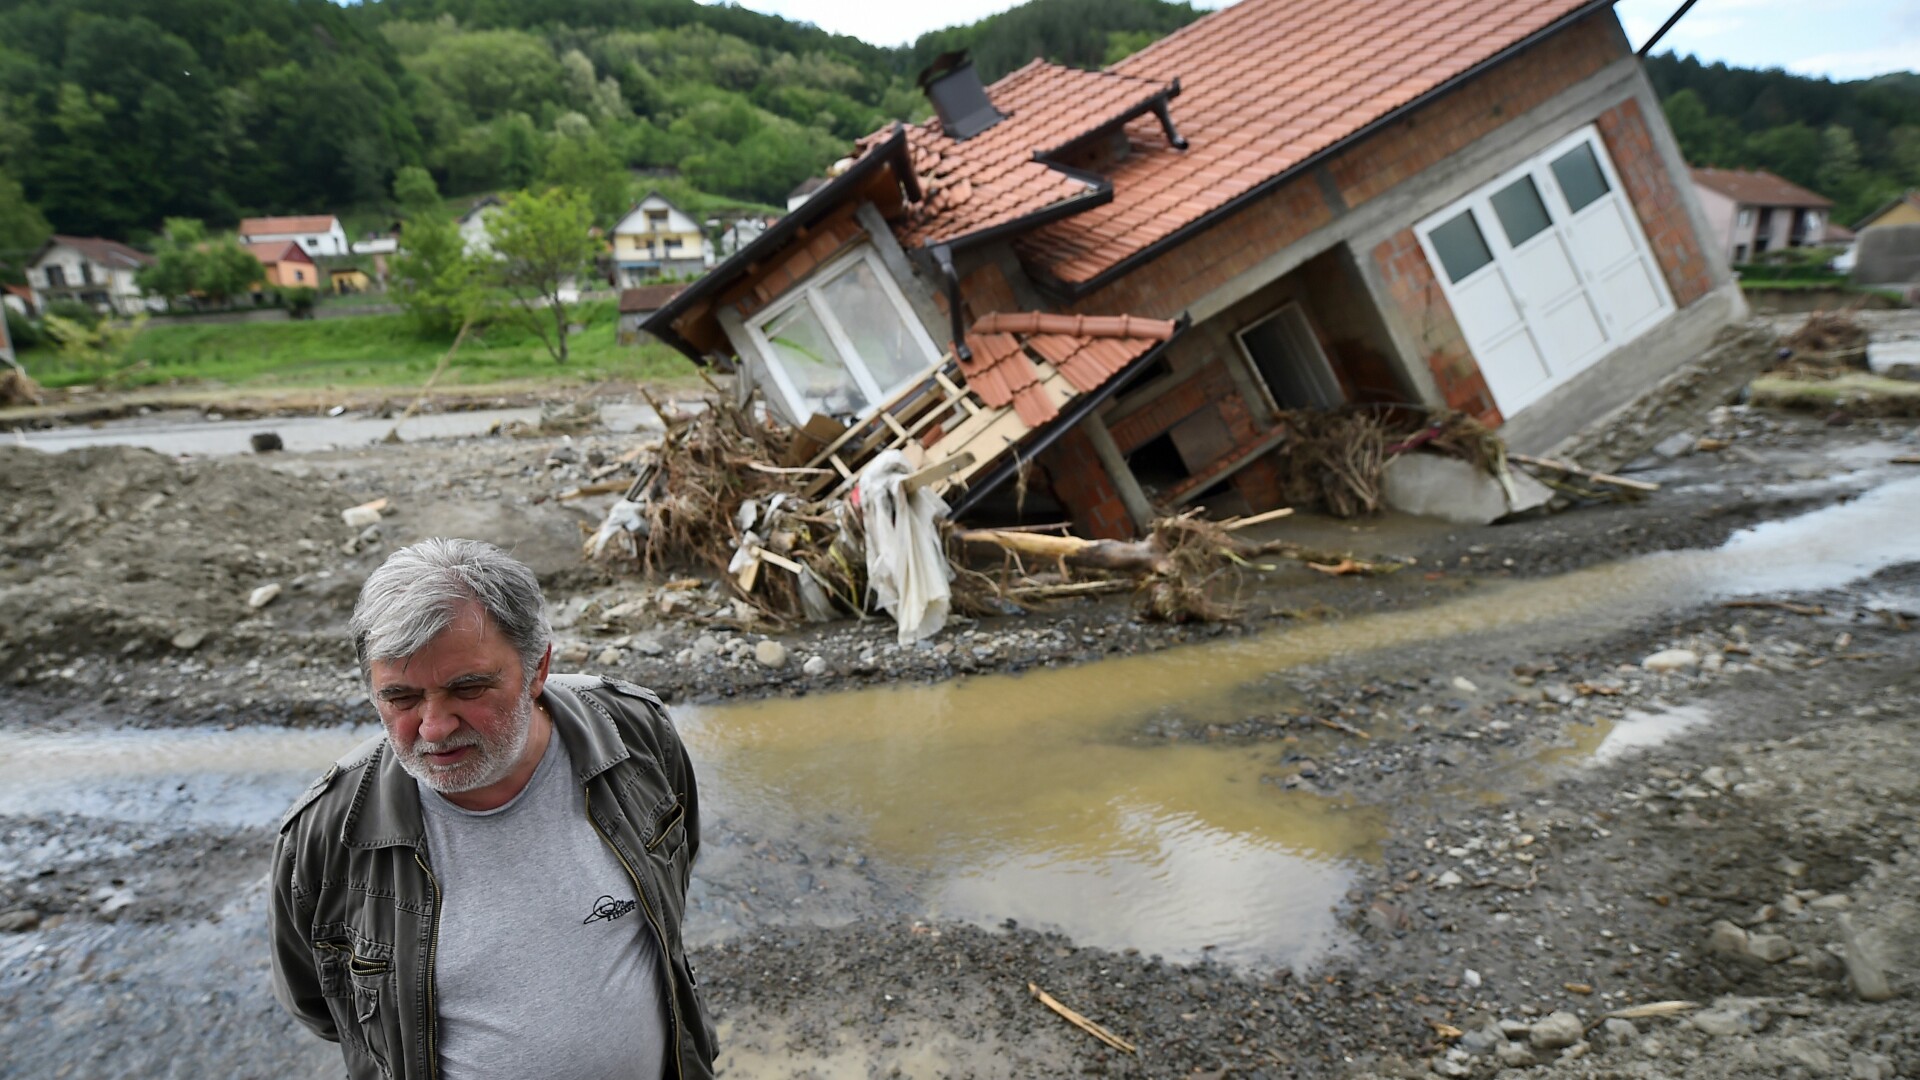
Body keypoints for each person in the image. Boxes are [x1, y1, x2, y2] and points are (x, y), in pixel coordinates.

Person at [270, 538, 715, 1080]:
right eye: (401, 698)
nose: (433, 728)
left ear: (538, 669)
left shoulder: (636, 733)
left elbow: (673, 874)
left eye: (469, 688)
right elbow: (322, 1006)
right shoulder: (324, 835)